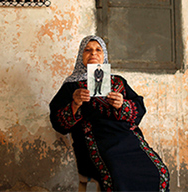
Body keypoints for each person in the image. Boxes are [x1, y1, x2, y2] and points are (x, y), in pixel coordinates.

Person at [49, 36, 170, 191]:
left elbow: (139, 109)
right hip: (95, 143)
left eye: (98, 50)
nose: (93, 53)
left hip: (127, 141)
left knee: (160, 173)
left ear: (104, 55)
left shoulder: (118, 82)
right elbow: (58, 123)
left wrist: (122, 104)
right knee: (118, 175)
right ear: (81, 56)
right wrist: (75, 104)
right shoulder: (71, 86)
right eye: (88, 50)